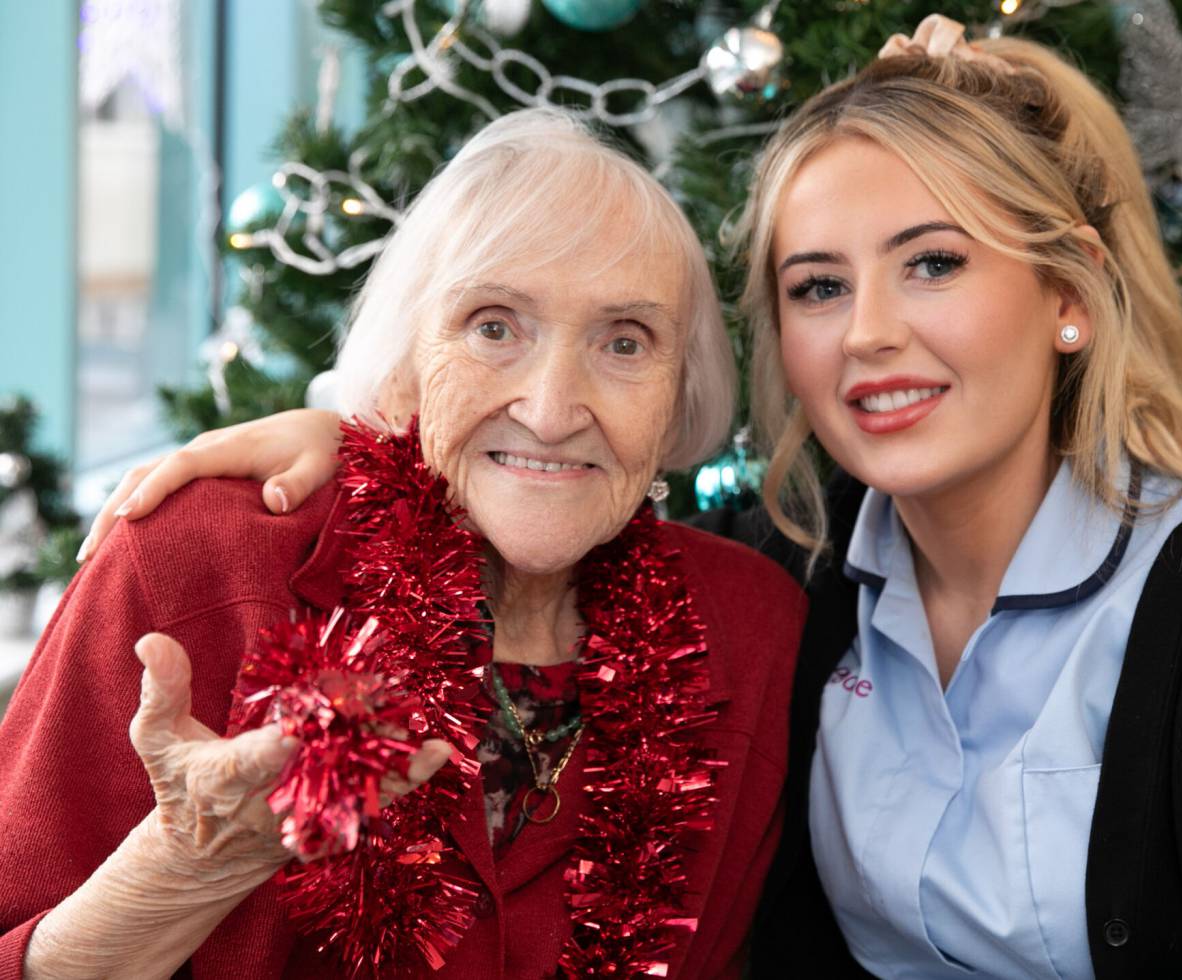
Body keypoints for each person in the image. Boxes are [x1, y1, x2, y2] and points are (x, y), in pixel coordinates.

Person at [73, 16, 1182, 980]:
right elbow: (533, 453)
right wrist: (358, 421)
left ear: (1068, 298)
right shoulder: (784, 585)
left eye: (933, 263)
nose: (868, 332)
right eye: (818, 287)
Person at [0, 109, 805, 979]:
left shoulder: (752, 631)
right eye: (494, 326)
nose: (551, 411)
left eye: (624, 342)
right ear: (403, 364)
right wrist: (184, 872)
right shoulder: (197, 561)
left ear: (679, 396)